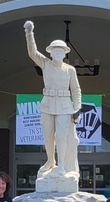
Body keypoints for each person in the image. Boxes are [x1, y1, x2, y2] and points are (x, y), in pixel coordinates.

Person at [23, 20, 82, 179]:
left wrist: (77, 108)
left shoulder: (70, 70)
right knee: (48, 135)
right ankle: (50, 161)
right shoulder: (46, 64)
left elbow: (76, 90)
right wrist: (29, 33)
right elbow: (32, 53)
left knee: (62, 136)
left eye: (60, 51)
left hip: (64, 106)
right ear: (50, 53)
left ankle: (61, 164)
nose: (57, 53)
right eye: (55, 51)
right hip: (48, 104)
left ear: (65, 53)